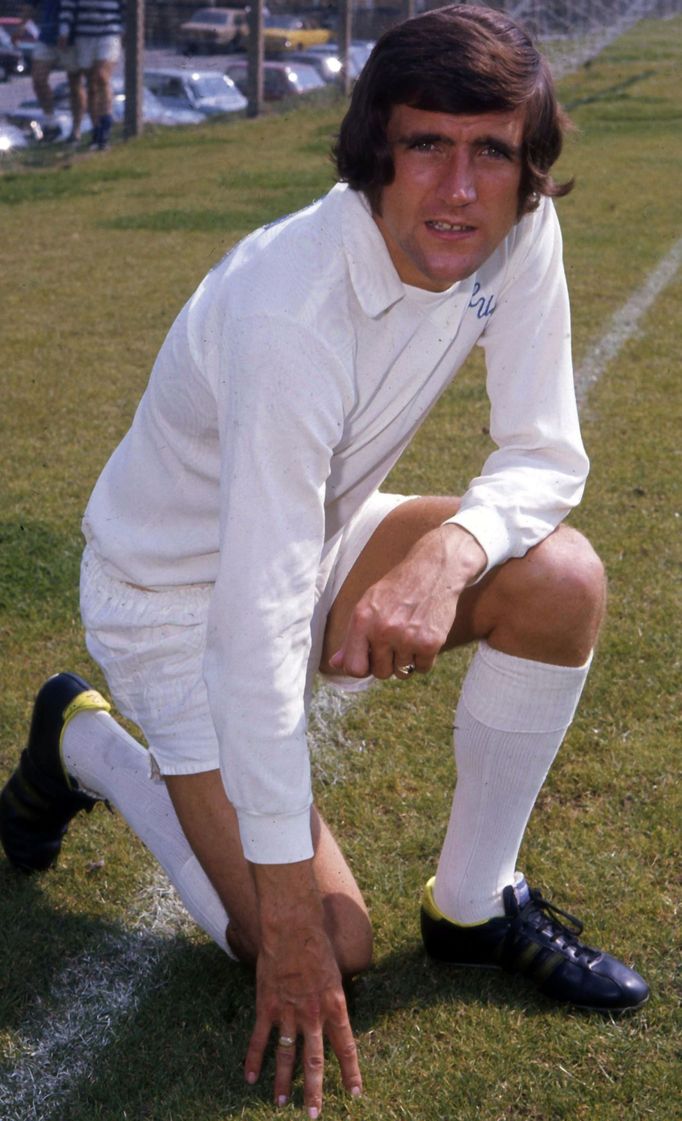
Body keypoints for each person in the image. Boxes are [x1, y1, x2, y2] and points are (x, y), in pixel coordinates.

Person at [0, 5, 649, 1117]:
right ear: (373, 150)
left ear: (524, 165)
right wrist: (287, 920)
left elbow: (544, 451)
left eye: (490, 149)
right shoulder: (285, 311)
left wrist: (447, 550)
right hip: (174, 599)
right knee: (325, 940)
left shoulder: (517, 228)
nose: (458, 188)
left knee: (561, 577)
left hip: (315, 525)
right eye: (424, 144)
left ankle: (473, 901)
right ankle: (90, 742)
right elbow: (251, 621)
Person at [58, 0, 124, 151]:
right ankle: (97, 130)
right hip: (84, 36)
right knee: (92, 85)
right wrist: (64, 32)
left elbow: (125, 7)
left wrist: (125, 28)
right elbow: (67, 9)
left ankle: (106, 126)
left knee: (102, 77)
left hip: (109, 33)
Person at [29, 0, 84, 143]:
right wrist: (22, 25)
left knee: (75, 85)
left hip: (73, 36)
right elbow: (30, 4)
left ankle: (76, 130)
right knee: (38, 79)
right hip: (47, 34)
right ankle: (51, 123)